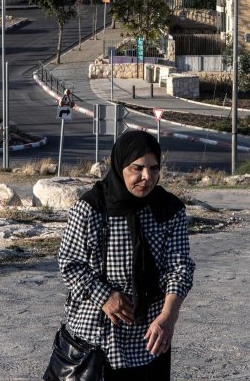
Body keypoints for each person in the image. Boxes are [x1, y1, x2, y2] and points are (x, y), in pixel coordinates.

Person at [56, 131, 194, 380]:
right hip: (96, 339)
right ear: (120, 167)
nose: (147, 177)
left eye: (154, 168)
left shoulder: (169, 210)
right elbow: (69, 263)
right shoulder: (91, 208)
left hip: (149, 339)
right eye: (137, 168)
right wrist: (105, 296)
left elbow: (179, 268)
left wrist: (168, 317)